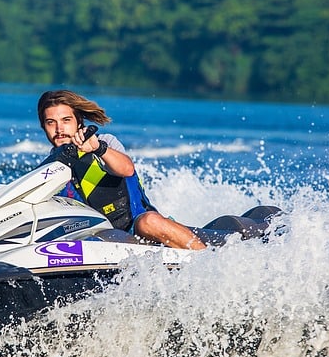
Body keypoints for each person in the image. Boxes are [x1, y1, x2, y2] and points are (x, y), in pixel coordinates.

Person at [37, 90, 206, 250]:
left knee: (148, 222)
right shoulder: (47, 170)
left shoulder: (105, 142)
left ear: (78, 121)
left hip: (137, 226)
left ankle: (208, 260)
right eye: (51, 122)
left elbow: (127, 169)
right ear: (43, 126)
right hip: (95, 237)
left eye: (66, 120)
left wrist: (98, 148)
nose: (59, 129)